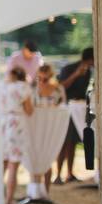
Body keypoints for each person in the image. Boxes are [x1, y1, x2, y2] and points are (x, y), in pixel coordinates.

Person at [55, 47, 94, 184]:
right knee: (64, 142)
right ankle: (58, 174)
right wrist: (76, 74)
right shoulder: (69, 68)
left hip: (79, 109)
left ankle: (69, 173)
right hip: (67, 109)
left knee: (72, 142)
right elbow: (61, 87)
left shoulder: (88, 72)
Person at [31, 64, 67, 194]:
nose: (41, 82)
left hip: (51, 127)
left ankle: (46, 191)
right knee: (35, 156)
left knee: (48, 157)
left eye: (44, 79)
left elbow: (63, 108)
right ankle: (35, 190)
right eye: (39, 78)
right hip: (36, 127)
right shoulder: (33, 90)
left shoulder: (58, 89)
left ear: (51, 77)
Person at [1, 67, 34, 204]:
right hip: (16, 125)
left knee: (2, 163)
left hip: (2, 124)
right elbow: (29, 111)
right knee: (13, 165)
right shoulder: (23, 87)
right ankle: (9, 200)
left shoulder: (2, 86)